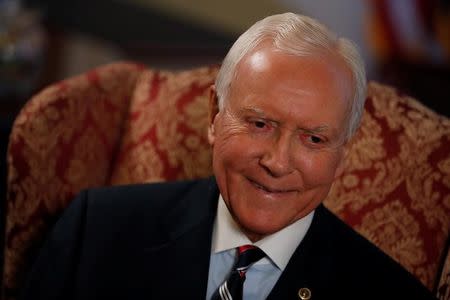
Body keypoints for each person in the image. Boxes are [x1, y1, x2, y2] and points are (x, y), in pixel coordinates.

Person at [21, 13, 435, 300]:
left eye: (313, 139)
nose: (277, 161)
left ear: (343, 153)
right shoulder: (96, 231)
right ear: (214, 116)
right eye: (260, 124)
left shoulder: (389, 294)